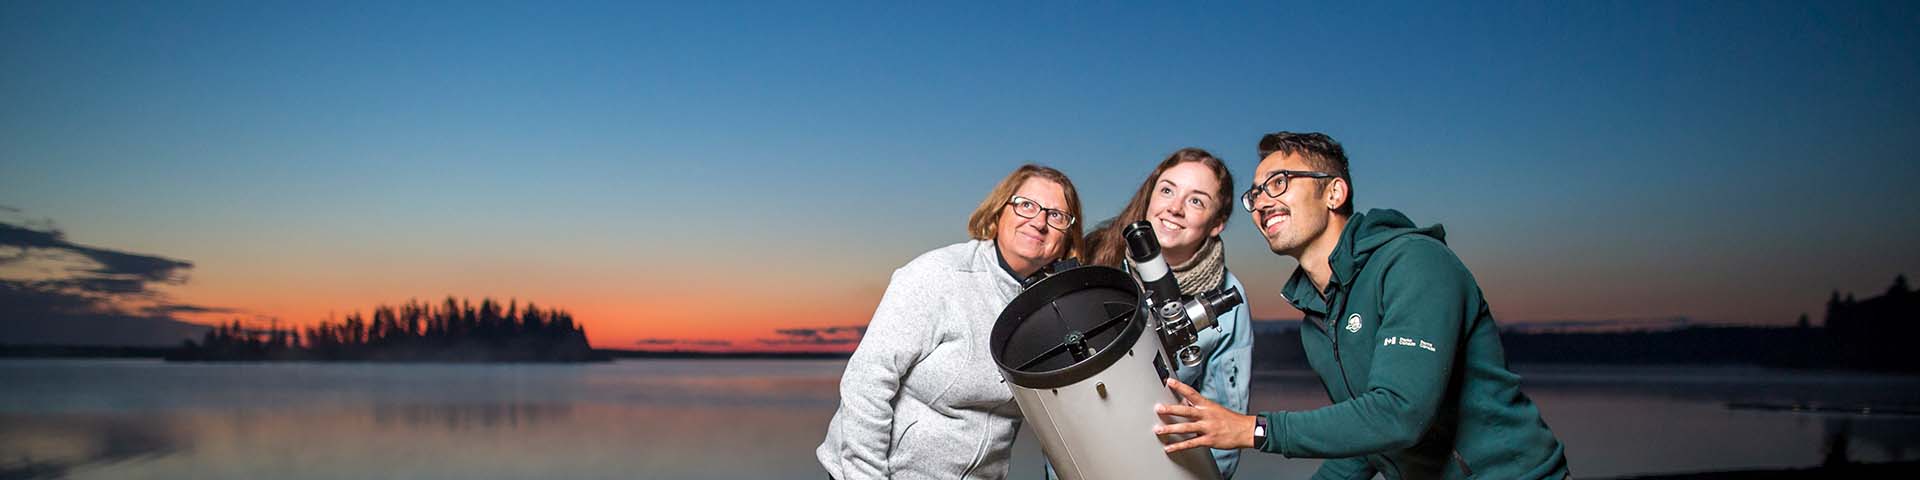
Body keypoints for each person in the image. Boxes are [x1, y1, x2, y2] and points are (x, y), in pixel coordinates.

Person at [1152, 132, 1570, 479]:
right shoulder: (1315, 316)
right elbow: (1367, 441)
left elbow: (1397, 415)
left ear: (1334, 192)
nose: (1261, 201)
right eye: (1256, 192)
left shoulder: (1414, 263)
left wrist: (1252, 429)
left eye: (1279, 182)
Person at [818, 164, 1087, 480]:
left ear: (1067, 235)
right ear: (1000, 210)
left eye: (1056, 216)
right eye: (1026, 205)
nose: (1039, 221)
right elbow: (867, 381)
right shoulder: (937, 275)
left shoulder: (1051, 312)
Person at [1067, 147, 1252, 479]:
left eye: (1196, 201)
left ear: (1217, 224)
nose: (1175, 208)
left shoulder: (1227, 295)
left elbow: (1224, 421)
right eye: (1167, 190)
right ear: (1150, 196)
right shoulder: (1095, 261)